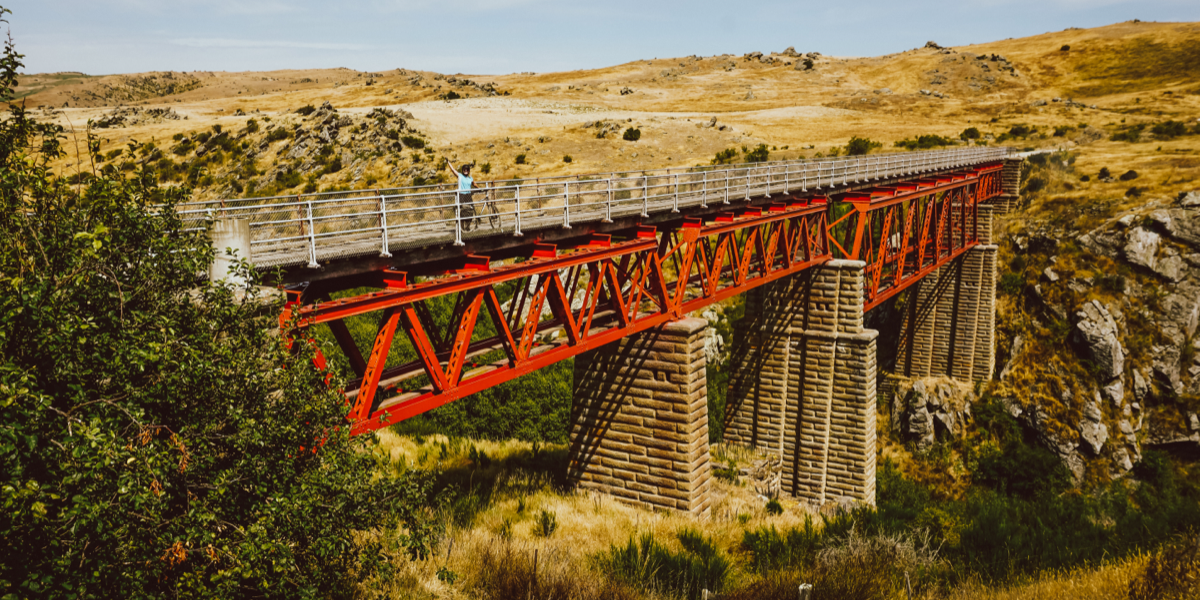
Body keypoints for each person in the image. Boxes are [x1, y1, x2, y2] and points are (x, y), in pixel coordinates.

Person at [447, 160, 477, 231]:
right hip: (462, 195)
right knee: (463, 212)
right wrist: (448, 162)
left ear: (468, 171)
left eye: (467, 170)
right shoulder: (460, 176)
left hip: (468, 196)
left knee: (471, 211)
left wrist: (480, 189)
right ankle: (462, 228)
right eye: (464, 170)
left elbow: (474, 184)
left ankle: (467, 226)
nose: (465, 171)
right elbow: (453, 170)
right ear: (462, 170)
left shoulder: (470, 178)